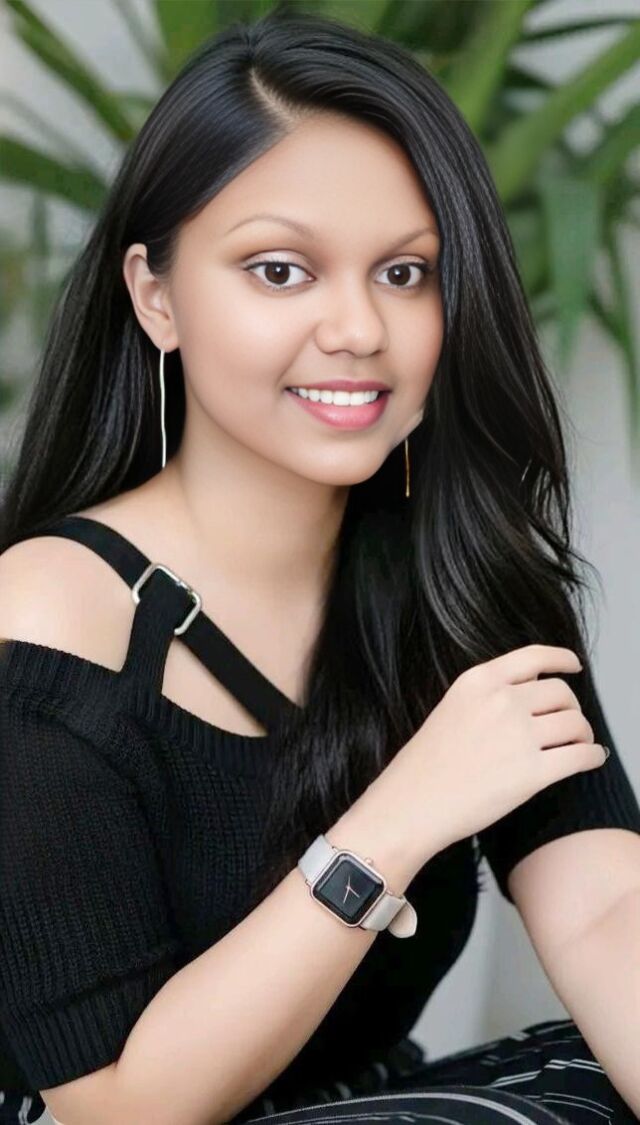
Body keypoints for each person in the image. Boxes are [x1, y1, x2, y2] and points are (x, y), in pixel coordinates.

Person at [0, 7, 639, 1125]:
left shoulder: (467, 581)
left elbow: (604, 911)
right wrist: (394, 822)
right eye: (281, 269)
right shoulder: (45, 616)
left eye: (405, 271)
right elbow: (118, 1106)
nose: (358, 329)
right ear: (156, 295)